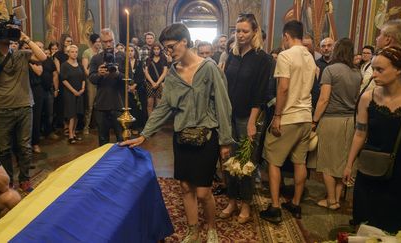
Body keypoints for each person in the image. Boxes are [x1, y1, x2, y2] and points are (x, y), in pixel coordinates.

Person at [120, 23, 233, 243]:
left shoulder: (209, 68)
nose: (168, 52)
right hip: (181, 137)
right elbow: (164, 107)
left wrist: (226, 141)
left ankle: (211, 228)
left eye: (171, 46)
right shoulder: (172, 73)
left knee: (203, 191)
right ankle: (193, 231)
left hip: (206, 137)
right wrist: (145, 134)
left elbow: (223, 105)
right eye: (166, 49)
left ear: (185, 41)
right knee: (184, 187)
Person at [343, 46, 401, 232]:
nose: (374, 74)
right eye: (373, 69)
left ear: (398, 69)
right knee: (366, 224)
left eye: (380, 70)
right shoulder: (368, 98)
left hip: (400, 173)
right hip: (370, 170)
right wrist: (349, 164)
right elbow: (360, 133)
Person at [260, 20, 316, 224]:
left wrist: (277, 116)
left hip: (288, 117)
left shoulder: (285, 55)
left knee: (273, 160)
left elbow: (282, 88)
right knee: (300, 161)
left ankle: (275, 208)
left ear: (286, 36)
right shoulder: (310, 57)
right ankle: (295, 203)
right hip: (305, 117)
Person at [221, 13, 273, 225]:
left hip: (247, 117)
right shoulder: (232, 54)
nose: (240, 35)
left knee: (245, 163)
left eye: (245, 31)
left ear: (254, 33)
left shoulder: (263, 58)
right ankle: (232, 200)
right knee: (228, 161)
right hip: (229, 116)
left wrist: (252, 122)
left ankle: (245, 204)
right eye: (237, 31)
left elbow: (260, 94)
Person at [0, 24, 47, 192]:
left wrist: (25, 38)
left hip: (24, 105)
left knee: (25, 147)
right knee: (4, 149)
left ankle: (25, 179)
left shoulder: (22, 54)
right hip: (2, 108)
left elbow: (42, 57)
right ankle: (9, 181)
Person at [309, 38, 361, 210]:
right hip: (351, 122)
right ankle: (337, 198)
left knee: (327, 163)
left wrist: (314, 120)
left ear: (336, 50)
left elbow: (323, 99)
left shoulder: (330, 70)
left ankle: (331, 200)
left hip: (332, 121)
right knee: (341, 163)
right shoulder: (357, 73)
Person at [89, 28, 125, 146]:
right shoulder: (96, 58)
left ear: (114, 40)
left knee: (122, 138)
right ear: (101, 42)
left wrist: (118, 74)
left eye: (110, 41)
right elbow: (92, 79)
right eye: (105, 42)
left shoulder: (122, 56)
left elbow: (131, 79)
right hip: (102, 103)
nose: (108, 44)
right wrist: (99, 74)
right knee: (103, 140)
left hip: (119, 103)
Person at [61, 45, 85, 144]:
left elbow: (83, 77)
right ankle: (70, 135)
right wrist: (73, 91)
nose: (74, 53)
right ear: (68, 53)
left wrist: (83, 88)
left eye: (76, 51)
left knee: (77, 114)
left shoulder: (80, 65)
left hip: (80, 92)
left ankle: (74, 133)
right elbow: (64, 80)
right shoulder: (64, 65)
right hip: (70, 93)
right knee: (71, 114)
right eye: (72, 52)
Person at [82, 33, 101, 135]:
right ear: (93, 42)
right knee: (89, 105)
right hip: (91, 81)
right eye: (97, 42)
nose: (99, 44)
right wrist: (94, 75)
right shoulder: (87, 52)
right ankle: (86, 126)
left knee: (99, 104)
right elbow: (85, 69)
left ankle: (98, 125)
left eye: (99, 42)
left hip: (101, 81)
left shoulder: (101, 52)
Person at [144, 42, 168, 116]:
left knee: (158, 106)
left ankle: (157, 124)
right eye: (155, 49)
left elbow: (165, 72)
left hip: (160, 84)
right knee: (149, 104)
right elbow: (146, 72)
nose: (156, 51)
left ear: (160, 50)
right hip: (149, 84)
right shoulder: (148, 59)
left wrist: (157, 83)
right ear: (152, 50)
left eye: (158, 49)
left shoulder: (164, 58)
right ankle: (150, 124)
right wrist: (152, 82)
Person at [127, 44, 147, 132]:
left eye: (132, 51)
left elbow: (141, 76)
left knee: (138, 107)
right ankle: (129, 126)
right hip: (127, 89)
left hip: (138, 88)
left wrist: (134, 85)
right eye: (128, 51)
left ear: (135, 52)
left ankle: (136, 126)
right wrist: (128, 86)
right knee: (129, 107)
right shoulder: (124, 63)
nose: (130, 53)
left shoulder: (139, 62)